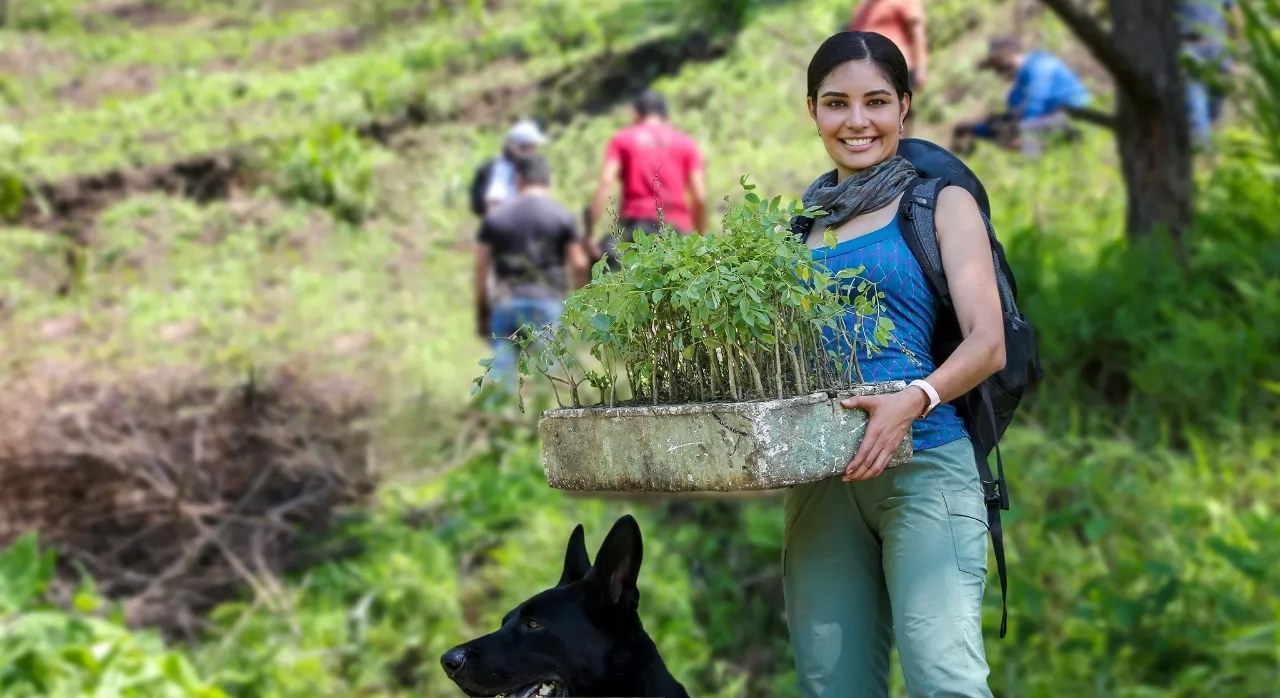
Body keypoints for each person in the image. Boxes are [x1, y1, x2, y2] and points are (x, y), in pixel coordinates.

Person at [784, 31, 1006, 696]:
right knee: (833, 686)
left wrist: (913, 400)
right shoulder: (797, 228)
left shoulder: (939, 204)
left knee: (944, 681)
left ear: (904, 107)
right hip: (822, 479)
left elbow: (987, 342)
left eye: (876, 101)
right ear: (813, 111)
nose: (857, 121)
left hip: (926, 463)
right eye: (836, 103)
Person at [475, 154, 589, 382]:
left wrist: (482, 311)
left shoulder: (496, 217)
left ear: (518, 179)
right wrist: (580, 308)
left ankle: (504, 402)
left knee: (502, 380)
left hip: (507, 302)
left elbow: (480, 268)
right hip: (548, 302)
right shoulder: (562, 216)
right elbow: (579, 264)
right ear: (548, 180)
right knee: (552, 380)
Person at [587, 90, 708, 268]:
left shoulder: (623, 140)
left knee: (608, 269)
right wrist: (699, 238)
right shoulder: (687, 144)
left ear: (636, 113)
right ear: (665, 115)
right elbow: (700, 196)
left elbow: (606, 182)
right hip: (678, 229)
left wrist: (590, 231)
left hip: (637, 228)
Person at [952, 35, 1092, 157]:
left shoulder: (1039, 65)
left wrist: (1021, 140)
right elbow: (1014, 118)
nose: (997, 71)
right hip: (1049, 119)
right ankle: (1036, 154)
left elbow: (1035, 106)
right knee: (998, 125)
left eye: (997, 64)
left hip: (1075, 116)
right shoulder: (1017, 89)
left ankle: (1044, 156)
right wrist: (977, 129)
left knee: (1015, 137)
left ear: (1009, 53)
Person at [1178, 0, 1242, 145]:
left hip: (1214, 52)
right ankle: (1206, 149)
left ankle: (1209, 149)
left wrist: (1234, 52)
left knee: (1213, 110)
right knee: (1198, 108)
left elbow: (1236, 17)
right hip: (1195, 52)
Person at [469, 119, 547, 218]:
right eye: (533, 147)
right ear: (522, 147)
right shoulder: (502, 168)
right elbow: (493, 205)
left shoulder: (525, 167)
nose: (535, 151)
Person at [847, 0, 928, 90]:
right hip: (863, 71)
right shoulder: (864, 5)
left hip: (892, 68)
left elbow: (917, 31)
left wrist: (920, 68)